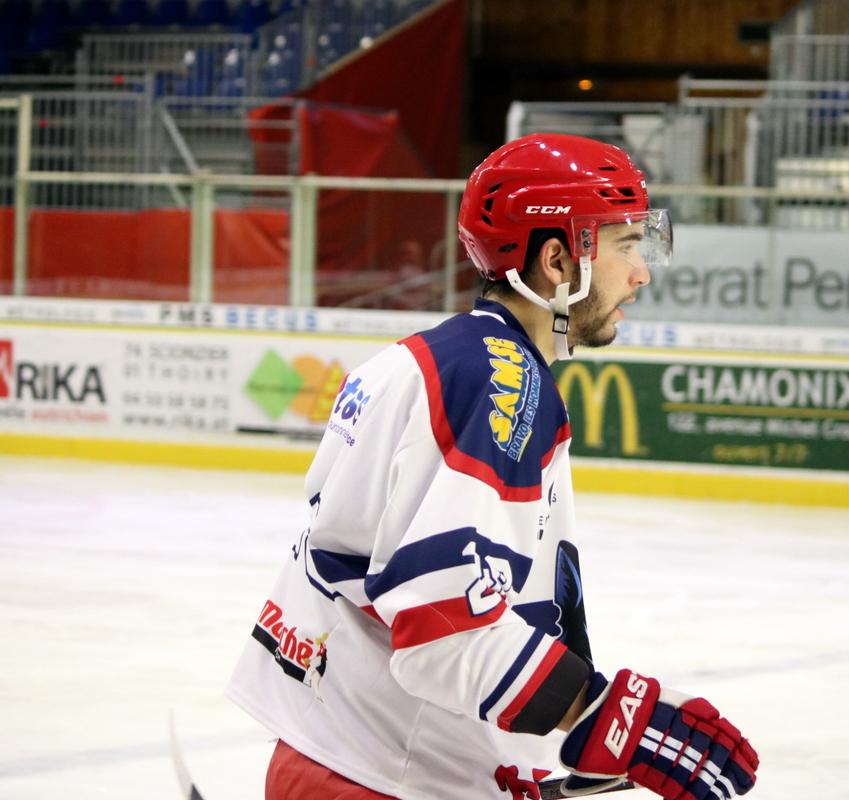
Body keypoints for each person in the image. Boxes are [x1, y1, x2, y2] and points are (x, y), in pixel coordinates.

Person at [226, 133, 759, 800]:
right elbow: (443, 622)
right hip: (385, 778)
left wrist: (543, 749)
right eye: (625, 245)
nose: (643, 272)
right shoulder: (500, 383)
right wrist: (599, 717)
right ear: (560, 260)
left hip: (347, 751)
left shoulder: (439, 357)